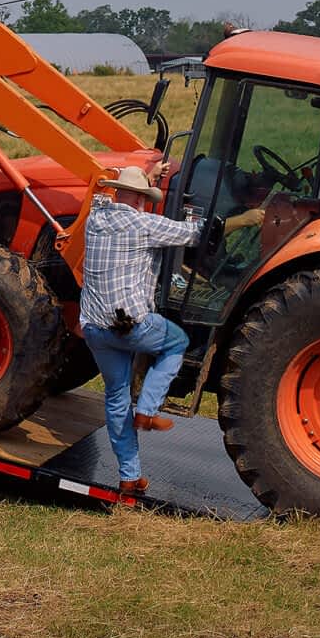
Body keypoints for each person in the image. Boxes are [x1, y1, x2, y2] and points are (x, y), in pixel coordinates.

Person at [79, 164, 200, 498]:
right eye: (145, 198)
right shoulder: (142, 224)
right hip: (128, 325)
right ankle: (147, 410)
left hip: (93, 327)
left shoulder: (95, 218)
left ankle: (129, 478)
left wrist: (151, 173)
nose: (148, 204)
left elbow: (104, 198)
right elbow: (191, 234)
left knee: (117, 398)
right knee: (176, 343)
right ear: (136, 199)